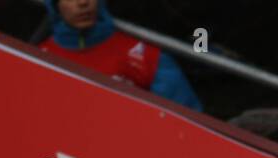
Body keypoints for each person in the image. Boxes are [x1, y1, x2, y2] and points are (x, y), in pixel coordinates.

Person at [38, 0, 202, 111]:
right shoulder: (39, 58)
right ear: (55, 5)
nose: (83, 3)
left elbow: (186, 120)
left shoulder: (142, 53)